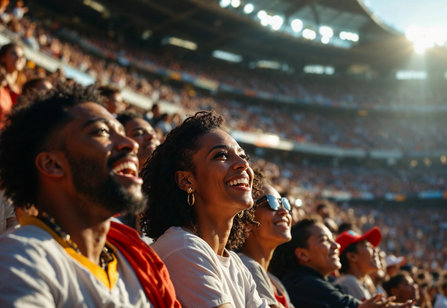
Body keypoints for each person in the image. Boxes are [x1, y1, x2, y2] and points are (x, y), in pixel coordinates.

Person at [0, 83, 180, 307]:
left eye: (123, 133)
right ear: (52, 164)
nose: (130, 144)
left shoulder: (137, 262)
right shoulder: (21, 258)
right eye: (101, 132)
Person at [140, 111, 267, 307]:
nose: (243, 164)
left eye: (243, 156)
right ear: (186, 180)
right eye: (222, 155)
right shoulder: (181, 247)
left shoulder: (236, 266)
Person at [269, 218, 414, 308]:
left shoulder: (315, 280)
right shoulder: (303, 283)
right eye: (324, 240)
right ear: (302, 254)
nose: (335, 245)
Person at [239, 169, 294, 307]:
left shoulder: (275, 281)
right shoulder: (246, 266)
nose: (283, 211)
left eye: (283, 203)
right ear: (247, 222)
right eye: (270, 203)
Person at [334, 227, 383, 300]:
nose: (375, 250)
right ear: (352, 256)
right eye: (367, 246)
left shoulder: (362, 282)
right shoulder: (349, 282)